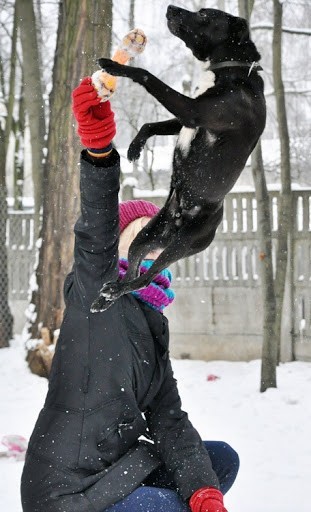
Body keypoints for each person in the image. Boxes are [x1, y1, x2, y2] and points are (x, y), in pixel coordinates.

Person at [20, 77, 239, 512]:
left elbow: (170, 420)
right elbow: (96, 225)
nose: (151, 242)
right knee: (165, 506)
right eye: (138, 233)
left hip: (115, 468)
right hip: (65, 487)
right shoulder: (96, 293)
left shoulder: (153, 322)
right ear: (116, 244)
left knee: (218, 464)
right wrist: (100, 152)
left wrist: (204, 491)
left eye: (155, 237)